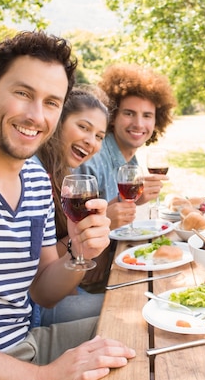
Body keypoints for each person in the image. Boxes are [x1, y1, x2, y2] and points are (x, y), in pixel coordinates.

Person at [0, 31, 135, 380]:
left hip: (24, 348)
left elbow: (43, 291)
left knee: (145, 328)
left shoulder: (33, 177)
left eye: (51, 102)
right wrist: (44, 377)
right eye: (23, 93)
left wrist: (78, 252)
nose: (35, 115)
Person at [76, 63, 177, 287]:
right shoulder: (93, 157)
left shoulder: (130, 159)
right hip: (85, 280)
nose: (139, 124)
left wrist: (135, 199)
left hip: (114, 265)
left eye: (147, 115)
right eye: (129, 113)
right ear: (112, 116)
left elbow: (118, 209)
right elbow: (75, 230)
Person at [32, 85, 109, 326]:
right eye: (83, 127)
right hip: (32, 310)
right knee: (129, 308)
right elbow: (38, 269)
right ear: (58, 122)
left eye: (99, 136)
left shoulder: (63, 174)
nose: (91, 141)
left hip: (60, 292)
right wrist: (78, 242)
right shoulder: (34, 172)